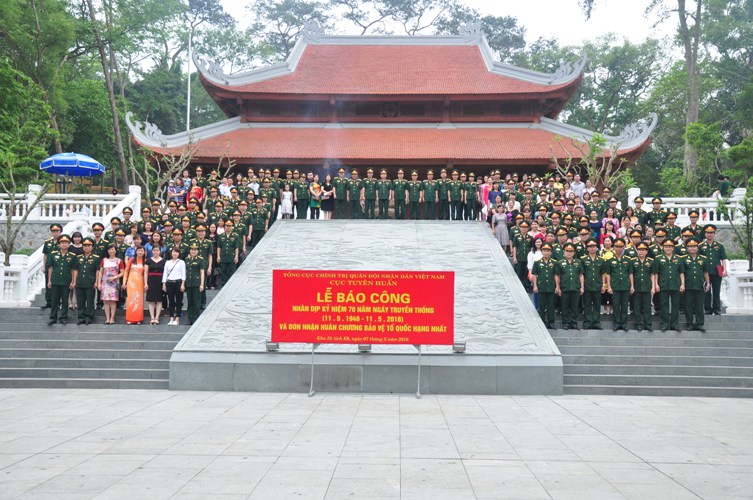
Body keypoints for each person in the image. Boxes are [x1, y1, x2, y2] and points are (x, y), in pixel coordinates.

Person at [653, 239, 684, 332]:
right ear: (663, 248)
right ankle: (664, 324)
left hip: (676, 284)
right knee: (663, 305)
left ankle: (675, 324)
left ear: (673, 248)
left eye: (670, 247)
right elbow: (656, 273)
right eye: (666, 247)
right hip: (663, 284)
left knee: (675, 305)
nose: (668, 248)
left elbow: (681, 272)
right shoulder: (658, 258)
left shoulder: (679, 258)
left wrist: (682, 284)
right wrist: (656, 284)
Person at [46, 235, 76, 325]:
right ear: (59, 244)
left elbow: (73, 269)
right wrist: (49, 280)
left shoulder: (72, 256)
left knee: (65, 300)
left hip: (66, 281)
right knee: (55, 300)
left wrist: (73, 281)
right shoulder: (53, 254)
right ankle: (53, 318)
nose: (64, 244)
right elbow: (50, 268)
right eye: (62, 243)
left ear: (68, 245)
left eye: (66, 243)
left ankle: (63, 317)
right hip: (55, 280)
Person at [700, 225, 728, 315]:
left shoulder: (719, 246)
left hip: (716, 271)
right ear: (705, 234)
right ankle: (707, 308)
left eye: (711, 233)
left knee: (716, 291)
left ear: (714, 234)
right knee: (706, 291)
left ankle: (716, 308)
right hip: (705, 272)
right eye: (708, 233)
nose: (709, 234)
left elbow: (723, 259)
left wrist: (725, 269)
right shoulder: (700, 246)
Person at [683, 239, 710, 332]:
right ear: (687, 248)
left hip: (699, 285)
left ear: (697, 248)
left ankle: (699, 324)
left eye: (694, 246)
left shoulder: (703, 258)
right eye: (690, 246)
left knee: (699, 305)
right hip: (688, 285)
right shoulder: (683, 259)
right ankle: (689, 324)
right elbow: (682, 273)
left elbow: (705, 272)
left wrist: (708, 283)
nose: (692, 248)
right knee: (688, 306)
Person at [605, 238, 632, 331]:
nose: (619, 249)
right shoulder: (609, 260)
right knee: (616, 306)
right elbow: (608, 274)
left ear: (624, 247)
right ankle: (616, 323)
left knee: (624, 306)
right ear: (613, 247)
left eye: (621, 247)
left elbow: (630, 274)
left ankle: (624, 324)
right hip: (615, 286)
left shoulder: (628, 260)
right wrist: (609, 286)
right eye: (616, 246)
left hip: (625, 286)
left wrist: (632, 286)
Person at [556, 242, 583, 330]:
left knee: (575, 306)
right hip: (564, 287)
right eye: (567, 251)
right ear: (564, 252)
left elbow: (581, 275)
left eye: (571, 251)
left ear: (574, 252)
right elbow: (557, 275)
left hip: (575, 287)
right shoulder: (560, 262)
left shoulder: (578, 262)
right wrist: (558, 287)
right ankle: (566, 323)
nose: (569, 253)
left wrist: (582, 286)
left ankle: (574, 323)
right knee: (565, 306)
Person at [72, 238, 99, 325]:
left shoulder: (96, 258)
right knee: (80, 301)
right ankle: (81, 317)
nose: (86, 247)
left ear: (92, 247)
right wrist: (74, 281)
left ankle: (89, 317)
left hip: (90, 282)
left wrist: (96, 282)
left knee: (90, 300)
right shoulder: (78, 257)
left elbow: (98, 271)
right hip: (80, 281)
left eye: (88, 246)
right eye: (85, 246)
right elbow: (76, 270)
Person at [630, 242, 655, 331]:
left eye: (643, 250)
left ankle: (648, 324)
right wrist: (632, 286)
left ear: (647, 251)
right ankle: (638, 324)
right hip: (636, 286)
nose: (641, 252)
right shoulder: (632, 261)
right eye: (639, 250)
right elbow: (631, 274)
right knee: (637, 306)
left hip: (647, 286)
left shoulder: (651, 261)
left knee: (647, 306)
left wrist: (653, 287)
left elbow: (652, 274)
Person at [97, 244, 124, 325]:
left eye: (112, 249)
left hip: (114, 282)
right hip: (105, 282)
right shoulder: (104, 260)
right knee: (106, 301)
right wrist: (99, 283)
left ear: (116, 250)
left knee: (113, 301)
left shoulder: (119, 261)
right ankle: (107, 318)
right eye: (109, 249)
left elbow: (123, 272)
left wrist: (115, 277)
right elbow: (101, 272)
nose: (111, 251)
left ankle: (112, 318)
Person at [532, 243, 557, 328]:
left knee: (551, 305)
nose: (546, 252)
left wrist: (557, 286)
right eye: (544, 251)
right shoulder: (537, 263)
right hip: (541, 287)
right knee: (541, 306)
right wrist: (535, 286)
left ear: (550, 252)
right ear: (541, 252)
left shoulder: (554, 262)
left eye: (548, 251)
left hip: (551, 286)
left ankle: (551, 322)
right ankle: (542, 322)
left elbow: (556, 275)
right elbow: (535, 275)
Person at [123, 246, 148, 325]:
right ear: (136, 251)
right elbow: (126, 272)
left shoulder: (145, 261)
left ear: (144, 252)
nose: (140, 252)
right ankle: (129, 318)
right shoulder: (131, 260)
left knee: (139, 300)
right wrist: (124, 282)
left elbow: (146, 274)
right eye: (139, 250)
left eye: (142, 251)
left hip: (140, 283)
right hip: (131, 282)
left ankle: (138, 319)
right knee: (130, 300)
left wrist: (145, 284)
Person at [41, 223, 63, 310]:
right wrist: (44, 266)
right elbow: (45, 255)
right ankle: (48, 302)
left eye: (57, 231)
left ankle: (57, 302)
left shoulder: (63, 242)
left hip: (58, 267)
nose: (55, 233)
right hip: (49, 267)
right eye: (53, 231)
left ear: (60, 232)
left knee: (58, 286)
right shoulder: (48, 242)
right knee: (48, 284)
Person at [162, 247, 186, 326]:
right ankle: (171, 318)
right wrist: (164, 283)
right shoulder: (167, 262)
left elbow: (183, 274)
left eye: (176, 252)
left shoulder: (181, 262)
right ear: (171, 253)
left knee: (179, 301)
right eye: (173, 252)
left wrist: (183, 284)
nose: (175, 253)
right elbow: (165, 273)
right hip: (169, 283)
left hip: (178, 282)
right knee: (171, 301)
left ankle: (177, 318)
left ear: (179, 254)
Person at [184, 243, 206, 325]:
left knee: (197, 302)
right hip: (189, 282)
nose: (193, 251)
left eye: (195, 250)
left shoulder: (200, 259)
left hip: (197, 283)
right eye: (192, 249)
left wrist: (202, 284)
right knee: (190, 302)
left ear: (197, 251)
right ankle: (190, 318)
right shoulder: (187, 260)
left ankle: (196, 319)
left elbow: (202, 272)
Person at [146, 245, 165, 325]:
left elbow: (165, 273)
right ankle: (152, 318)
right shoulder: (148, 261)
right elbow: (145, 273)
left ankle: (157, 317)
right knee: (151, 300)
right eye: (154, 250)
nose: (156, 252)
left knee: (159, 300)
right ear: (152, 251)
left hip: (160, 281)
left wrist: (164, 283)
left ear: (160, 251)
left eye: (157, 250)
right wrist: (145, 283)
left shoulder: (164, 261)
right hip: (151, 280)